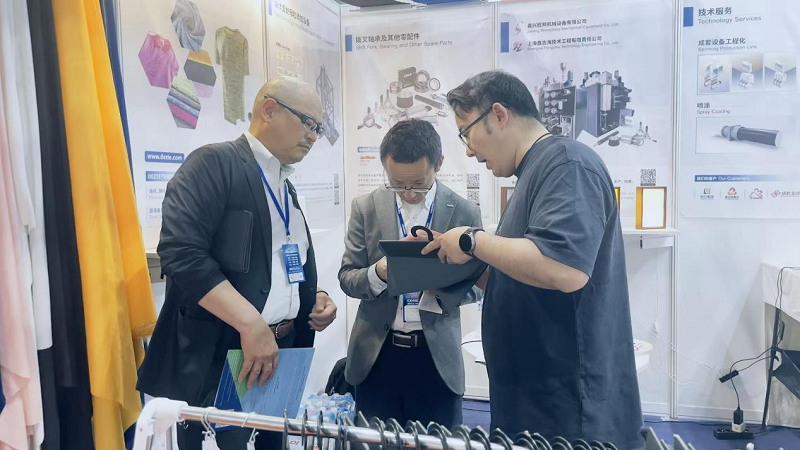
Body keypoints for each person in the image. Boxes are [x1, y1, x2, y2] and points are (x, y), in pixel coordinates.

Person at [422, 71, 643, 448]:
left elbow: (564, 268)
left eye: (466, 133)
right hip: (532, 402)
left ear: (498, 115)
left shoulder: (568, 163)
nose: (469, 151)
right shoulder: (535, 172)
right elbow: (523, 274)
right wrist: (450, 255)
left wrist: (472, 241)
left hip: (568, 411)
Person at [138, 76, 338, 449]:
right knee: (222, 441)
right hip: (223, 353)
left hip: (280, 352)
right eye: (308, 123)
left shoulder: (284, 183)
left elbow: (282, 259)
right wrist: (250, 322)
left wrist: (314, 295)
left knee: (270, 443)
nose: (313, 136)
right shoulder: (213, 164)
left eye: (319, 128)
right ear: (269, 109)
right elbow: (181, 253)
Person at [339, 119, 483, 429]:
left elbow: (479, 283)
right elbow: (348, 277)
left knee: (438, 441)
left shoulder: (464, 211)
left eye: (418, 184)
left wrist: (438, 292)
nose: (408, 193)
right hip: (377, 355)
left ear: (438, 164)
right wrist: (379, 272)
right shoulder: (366, 207)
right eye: (397, 183)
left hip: (435, 357)